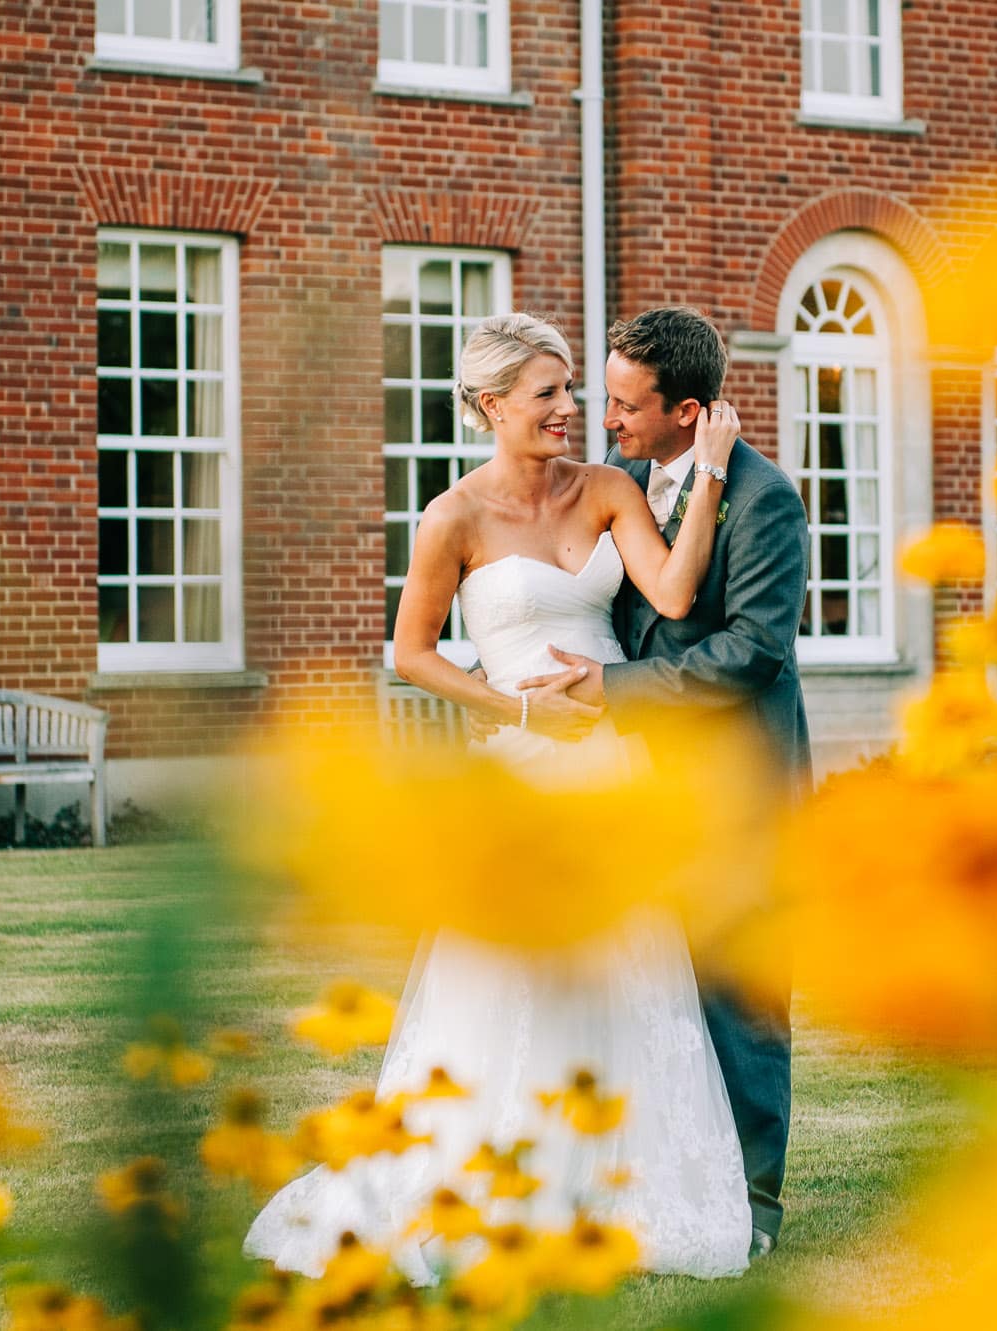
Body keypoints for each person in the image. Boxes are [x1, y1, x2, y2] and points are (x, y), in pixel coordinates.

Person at [243, 312, 752, 1279]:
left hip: (611, 768)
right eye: (551, 394)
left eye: (572, 391)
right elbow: (410, 653)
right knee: (510, 986)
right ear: (491, 406)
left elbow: (676, 595)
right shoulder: (454, 517)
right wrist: (513, 710)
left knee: (623, 973)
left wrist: (714, 467)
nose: (573, 411)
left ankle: (615, 1186)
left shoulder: (609, 490)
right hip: (519, 772)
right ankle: (495, 1178)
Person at [510, 305, 810, 1259]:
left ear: (687, 410)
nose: (607, 420)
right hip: (637, 782)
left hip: (738, 782)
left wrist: (610, 688)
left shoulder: (766, 500)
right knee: (652, 992)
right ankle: (662, 1180)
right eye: (602, 397)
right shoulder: (626, 481)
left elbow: (752, 652)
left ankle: (756, 1205)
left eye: (626, 406)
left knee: (739, 989)